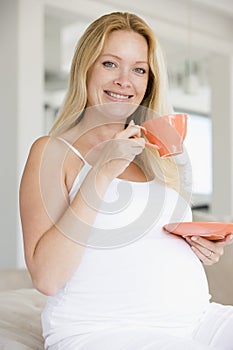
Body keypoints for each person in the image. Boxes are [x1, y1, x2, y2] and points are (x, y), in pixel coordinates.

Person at [19, 11, 233, 350]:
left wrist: (200, 249)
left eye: (138, 69)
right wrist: (102, 171)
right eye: (109, 64)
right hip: (103, 329)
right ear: (85, 68)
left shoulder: (156, 156)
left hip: (197, 319)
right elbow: (46, 277)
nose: (125, 80)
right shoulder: (53, 152)